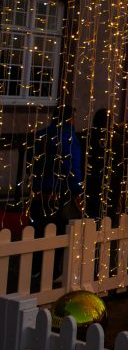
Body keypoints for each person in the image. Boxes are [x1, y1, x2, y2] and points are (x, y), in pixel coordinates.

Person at [29, 104, 84, 279]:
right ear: (70, 118)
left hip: (39, 191)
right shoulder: (68, 137)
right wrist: (77, 189)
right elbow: (72, 166)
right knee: (59, 231)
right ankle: (52, 271)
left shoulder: (41, 134)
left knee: (39, 230)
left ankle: (34, 269)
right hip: (59, 190)